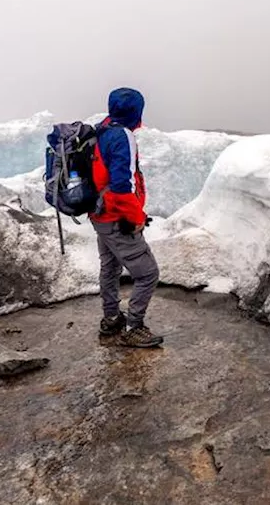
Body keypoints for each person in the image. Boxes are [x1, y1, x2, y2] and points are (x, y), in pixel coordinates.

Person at [91, 87, 163, 348]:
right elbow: (123, 185)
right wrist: (136, 218)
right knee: (147, 274)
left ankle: (111, 318)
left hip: (99, 214)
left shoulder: (103, 128)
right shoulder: (123, 137)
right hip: (116, 216)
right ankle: (134, 327)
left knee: (109, 267)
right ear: (137, 112)